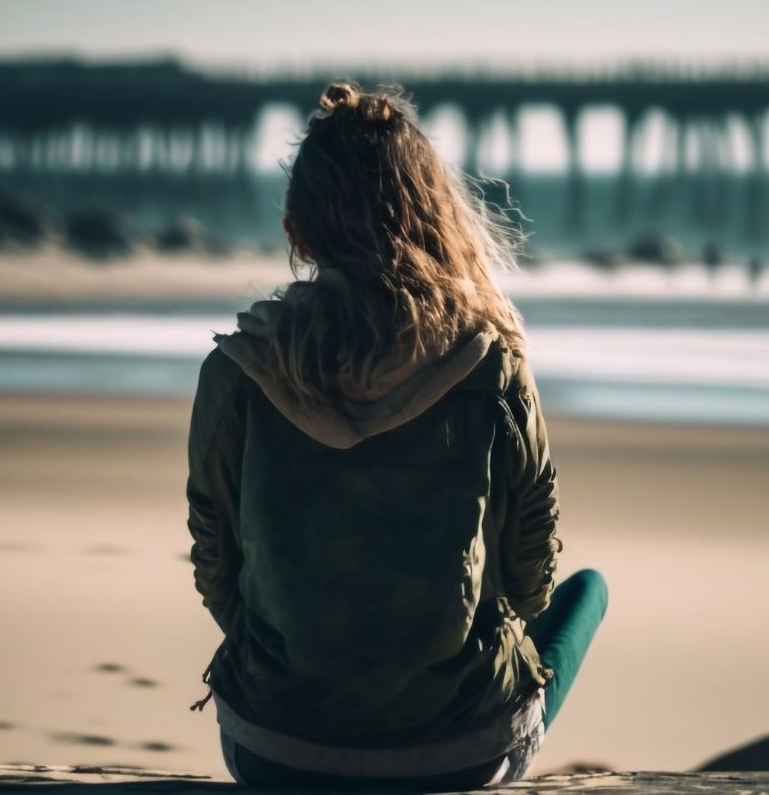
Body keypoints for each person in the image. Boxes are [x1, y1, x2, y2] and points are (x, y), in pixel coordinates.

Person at [185, 82, 606, 789]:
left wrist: (301, 653)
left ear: (298, 231)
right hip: (458, 756)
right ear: (429, 216)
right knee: (586, 594)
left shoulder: (239, 369)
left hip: (274, 747)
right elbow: (533, 562)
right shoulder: (488, 362)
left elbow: (215, 557)